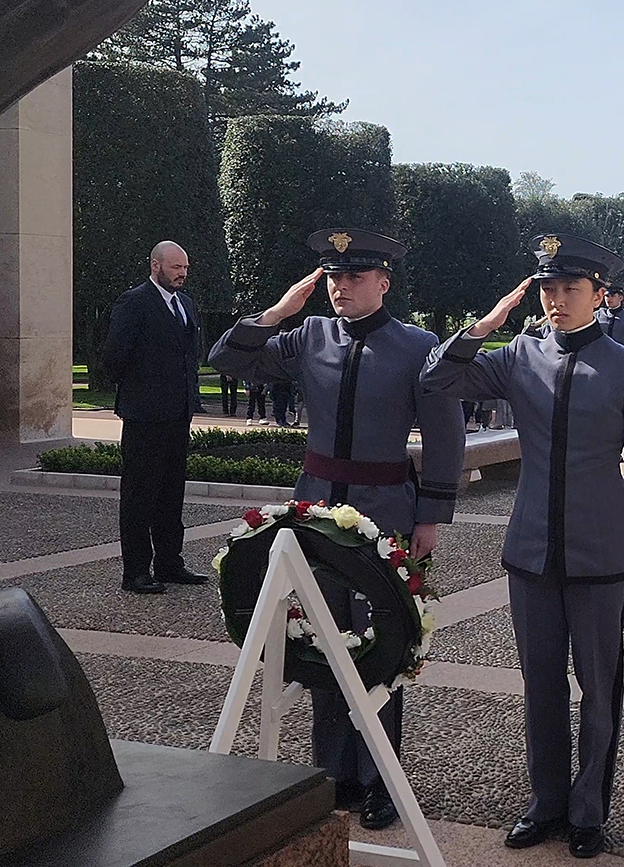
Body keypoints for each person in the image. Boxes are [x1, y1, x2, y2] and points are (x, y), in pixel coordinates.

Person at [423, 234, 624, 858]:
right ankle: (545, 802)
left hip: (602, 546)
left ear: (598, 296)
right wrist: (487, 323)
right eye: (548, 288)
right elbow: (439, 380)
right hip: (532, 545)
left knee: (597, 683)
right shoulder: (518, 356)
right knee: (539, 683)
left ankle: (588, 809)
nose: (557, 300)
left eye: (571, 289)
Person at [209, 228, 465, 830]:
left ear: (384, 281)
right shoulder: (307, 336)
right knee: (320, 638)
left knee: (382, 643)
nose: (340, 286)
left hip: (385, 508)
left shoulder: (417, 346)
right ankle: (333, 774)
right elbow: (228, 359)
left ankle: (379, 777)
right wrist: (279, 311)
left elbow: (446, 434)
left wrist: (430, 513)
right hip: (317, 506)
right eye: (332, 277)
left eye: (353, 277)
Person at [103, 241, 206, 595]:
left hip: (178, 415)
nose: (181, 273)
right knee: (139, 495)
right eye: (175, 267)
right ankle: (135, 571)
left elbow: (190, 356)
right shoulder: (135, 302)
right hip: (144, 416)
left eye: (185, 268)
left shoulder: (186, 304)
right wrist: (143, 387)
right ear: (155, 265)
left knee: (171, 493)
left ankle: (169, 562)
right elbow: (115, 356)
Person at [594, 285, 624, 349]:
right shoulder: (598, 315)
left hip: (620, 354)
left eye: (613, 296)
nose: (609, 298)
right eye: (607, 296)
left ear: (620, 298)